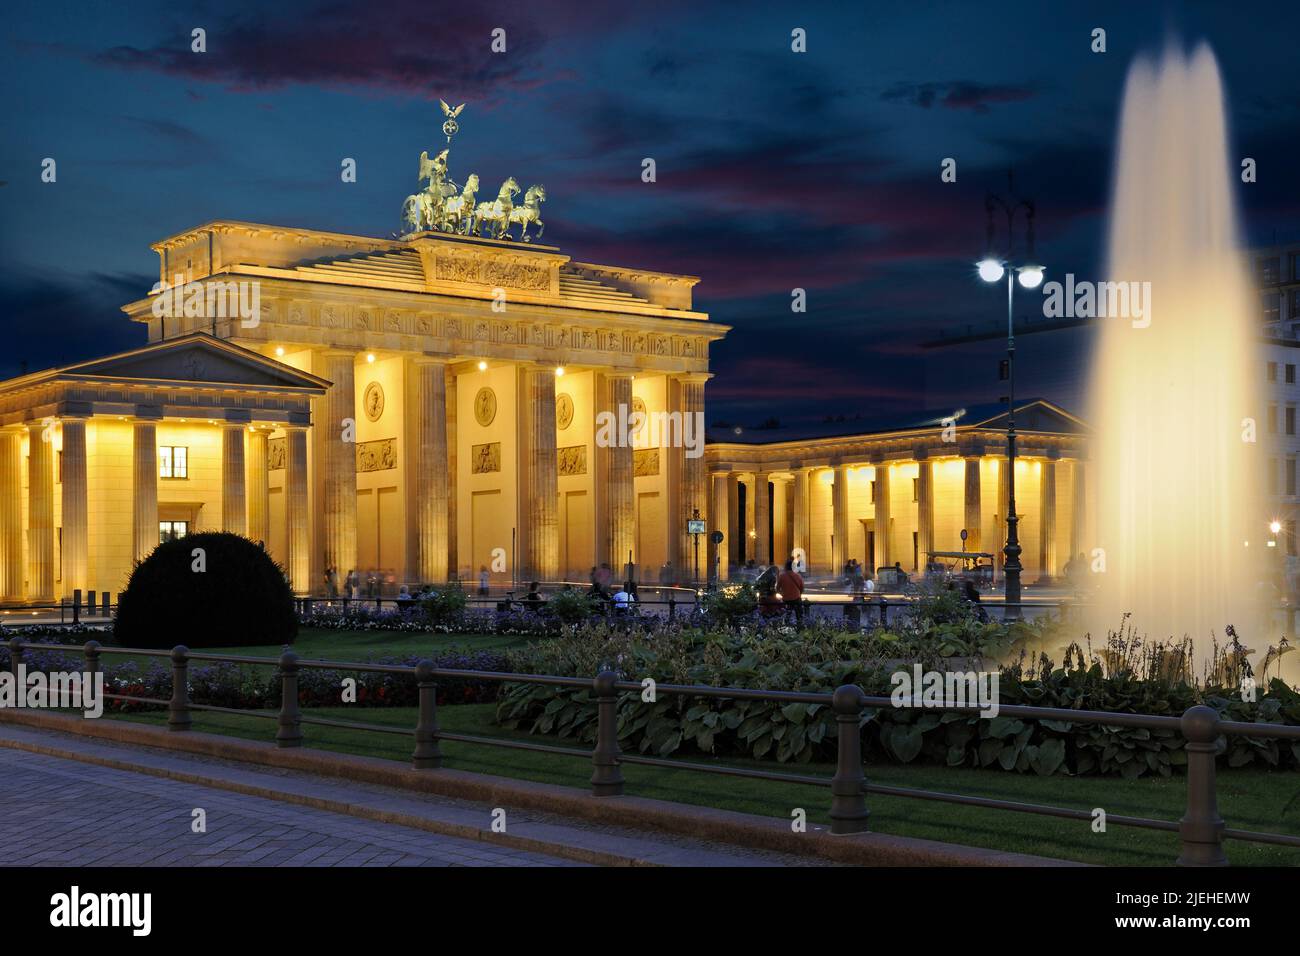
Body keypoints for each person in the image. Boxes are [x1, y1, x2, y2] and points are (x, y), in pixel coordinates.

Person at [776, 558, 805, 624]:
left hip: (786, 599)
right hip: (796, 599)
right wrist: (798, 593)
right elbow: (802, 588)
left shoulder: (782, 576)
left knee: (787, 616)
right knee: (799, 616)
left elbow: (777, 589)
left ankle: (786, 627)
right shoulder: (798, 576)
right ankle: (799, 628)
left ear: (786, 567)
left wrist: (783, 594)